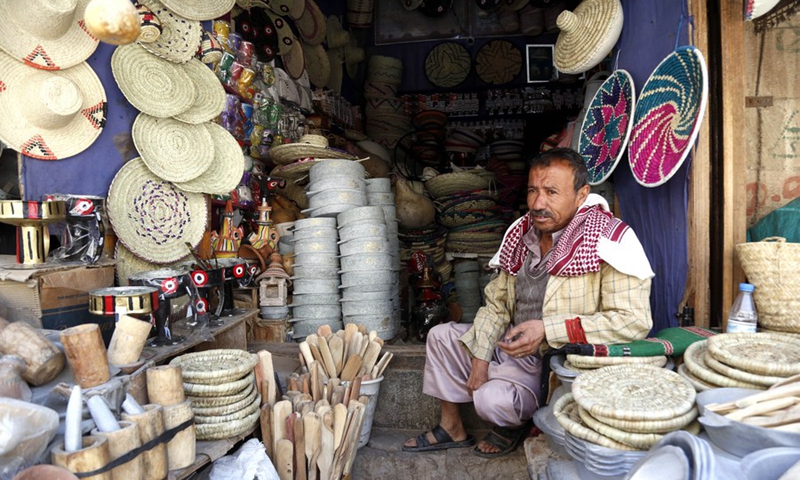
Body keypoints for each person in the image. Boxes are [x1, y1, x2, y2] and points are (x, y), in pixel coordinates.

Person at [403, 148, 655, 457]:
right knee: (441, 335)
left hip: (556, 362)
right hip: (510, 347)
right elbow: (496, 304)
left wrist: (548, 329)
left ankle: (514, 420)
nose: (537, 203)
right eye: (533, 191)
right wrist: (480, 358)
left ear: (581, 195)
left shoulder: (610, 240)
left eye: (551, 192)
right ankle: (452, 427)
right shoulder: (522, 234)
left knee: (491, 400)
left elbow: (632, 321)